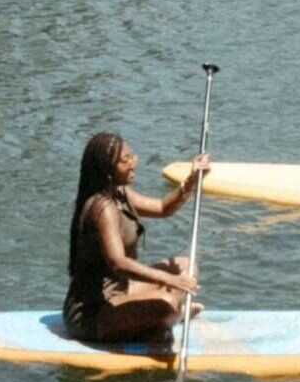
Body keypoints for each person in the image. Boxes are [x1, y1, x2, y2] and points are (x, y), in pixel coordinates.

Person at [64, 132, 203, 353]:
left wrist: (190, 182)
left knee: (187, 266)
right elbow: (118, 262)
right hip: (93, 312)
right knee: (166, 303)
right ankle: (168, 318)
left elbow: (162, 207)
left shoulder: (121, 194)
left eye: (132, 157)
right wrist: (170, 279)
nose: (133, 163)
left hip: (122, 290)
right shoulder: (102, 208)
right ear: (107, 168)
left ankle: (166, 318)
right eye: (125, 160)